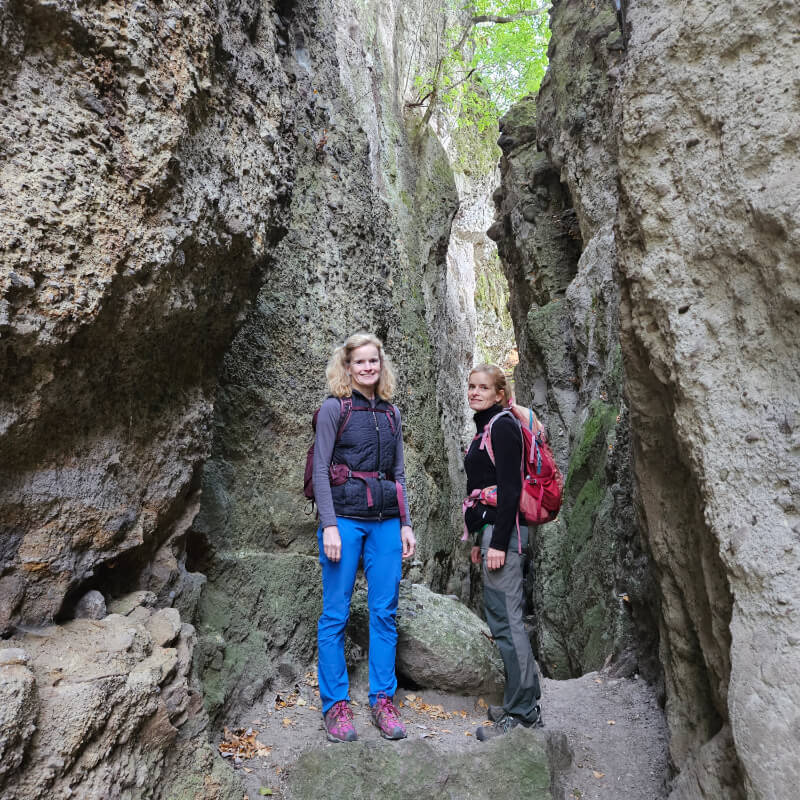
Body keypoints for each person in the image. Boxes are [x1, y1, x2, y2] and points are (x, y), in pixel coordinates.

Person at [313, 332, 416, 743]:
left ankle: (382, 701)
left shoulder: (391, 414)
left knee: (385, 612)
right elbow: (321, 470)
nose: (368, 368)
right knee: (335, 613)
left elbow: (399, 474)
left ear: (381, 364)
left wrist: (406, 523)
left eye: (374, 361)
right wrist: (330, 525)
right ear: (348, 366)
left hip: (386, 521)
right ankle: (336, 705)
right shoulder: (333, 410)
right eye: (360, 362)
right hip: (345, 520)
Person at [463, 364, 543, 740]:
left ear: (499, 394)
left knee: (510, 624)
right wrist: (481, 541)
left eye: (483, 388)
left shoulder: (504, 426)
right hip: (493, 534)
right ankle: (516, 700)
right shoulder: (485, 429)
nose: (475, 392)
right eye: (471, 386)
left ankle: (524, 714)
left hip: (505, 535)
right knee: (501, 622)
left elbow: (510, 490)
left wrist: (496, 543)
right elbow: (484, 488)